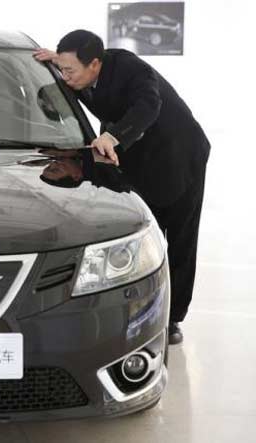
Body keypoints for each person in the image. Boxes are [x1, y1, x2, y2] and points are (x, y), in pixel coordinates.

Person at [34, 30, 210, 345]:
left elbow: (148, 106)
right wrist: (57, 62)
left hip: (178, 154)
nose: (66, 76)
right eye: (63, 68)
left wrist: (112, 137)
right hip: (132, 156)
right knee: (138, 236)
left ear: (95, 65)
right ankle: (136, 310)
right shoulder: (78, 75)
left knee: (179, 240)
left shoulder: (130, 68)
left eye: (70, 70)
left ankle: (172, 320)